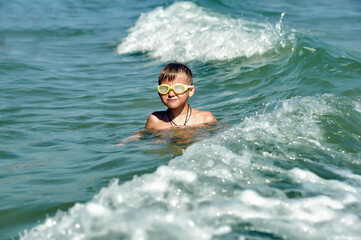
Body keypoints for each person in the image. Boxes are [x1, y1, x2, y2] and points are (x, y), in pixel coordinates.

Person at [145, 62, 217, 130]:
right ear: (158, 92)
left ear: (190, 91)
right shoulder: (155, 120)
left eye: (178, 88)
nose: (171, 94)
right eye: (164, 88)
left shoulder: (205, 119)